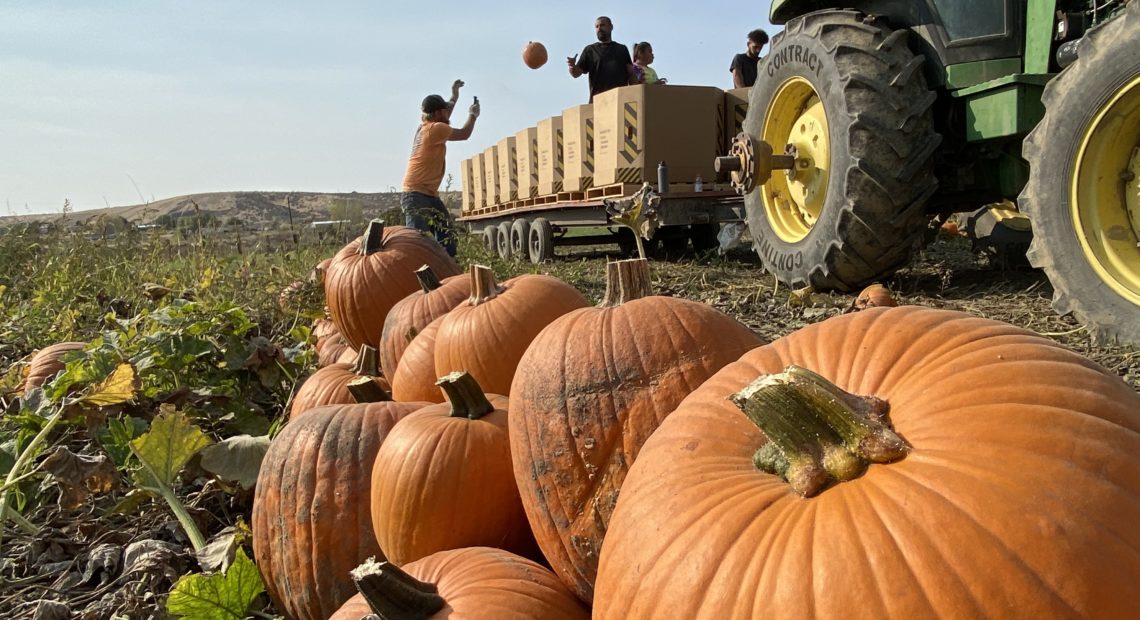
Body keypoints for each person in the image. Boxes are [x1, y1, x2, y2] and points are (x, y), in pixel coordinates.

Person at [400, 79, 479, 257]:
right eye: (444, 109)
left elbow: (446, 112)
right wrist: (473, 115)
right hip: (416, 195)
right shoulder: (435, 129)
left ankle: (446, 272)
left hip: (428, 194)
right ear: (437, 113)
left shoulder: (427, 125)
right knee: (416, 244)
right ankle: (413, 278)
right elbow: (464, 134)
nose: (447, 112)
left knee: (447, 237)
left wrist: (454, 95)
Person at [567, 16, 636, 101]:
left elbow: (631, 74)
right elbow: (576, 74)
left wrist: (636, 94)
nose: (599, 28)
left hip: (619, 100)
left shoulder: (622, 49)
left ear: (611, 27)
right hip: (598, 103)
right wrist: (572, 66)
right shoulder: (590, 50)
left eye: (602, 25)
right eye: (597, 26)